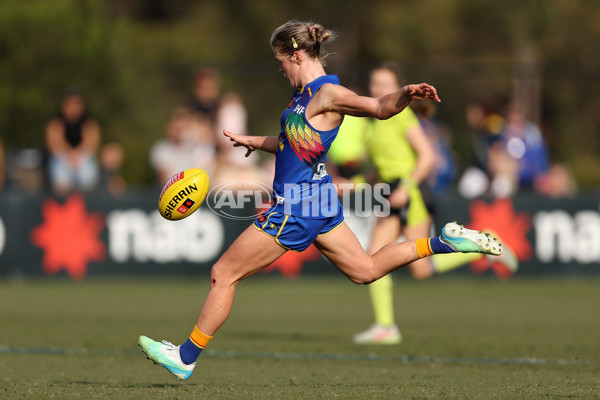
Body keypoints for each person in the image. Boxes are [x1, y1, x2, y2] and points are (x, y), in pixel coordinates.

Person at [138, 20, 503, 380]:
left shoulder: (327, 94)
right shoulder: (303, 96)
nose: (280, 69)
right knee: (367, 271)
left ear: (296, 55)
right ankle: (446, 242)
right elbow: (294, 145)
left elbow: (378, 107)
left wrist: (406, 93)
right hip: (318, 202)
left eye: (281, 61)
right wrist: (257, 141)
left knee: (223, 274)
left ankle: (185, 357)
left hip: (295, 206)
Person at [341, 65, 517, 345]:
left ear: (397, 85)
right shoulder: (371, 123)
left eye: (384, 83)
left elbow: (428, 157)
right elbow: (379, 171)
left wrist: (407, 187)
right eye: (374, 83)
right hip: (391, 193)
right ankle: (386, 327)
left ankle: (483, 244)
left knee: (419, 270)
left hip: (412, 193)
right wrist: (354, 183)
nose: (378, 88)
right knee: (371, 259)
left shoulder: (402, 117)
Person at [45, 89, 101, 195]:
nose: (73, 107)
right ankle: (62, 201)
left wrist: (77, 155)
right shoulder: (56, 122)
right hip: (63, 156)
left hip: (82, 156)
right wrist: (69, 154)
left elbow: (92, 143)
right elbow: (54, 143)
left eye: (76, 103)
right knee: (60, 172)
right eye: (69, 103)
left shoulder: (89, 122)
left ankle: (87, 201)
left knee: (87, 171)